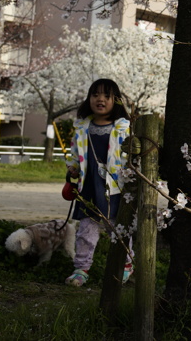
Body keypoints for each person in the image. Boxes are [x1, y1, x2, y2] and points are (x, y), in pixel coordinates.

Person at [64, 78, 133, 286]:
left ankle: (126, 264)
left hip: (113, 188)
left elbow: (130, 156)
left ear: (116, 100)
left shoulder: (123, 127)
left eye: (106, 96)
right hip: (88, 186)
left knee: (118, 229)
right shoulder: (82, 127)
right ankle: (81, 268)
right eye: (95, 95)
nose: (100, 99)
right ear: (89, 99)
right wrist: (73, 166)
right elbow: (75, 152)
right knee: (85, 230)